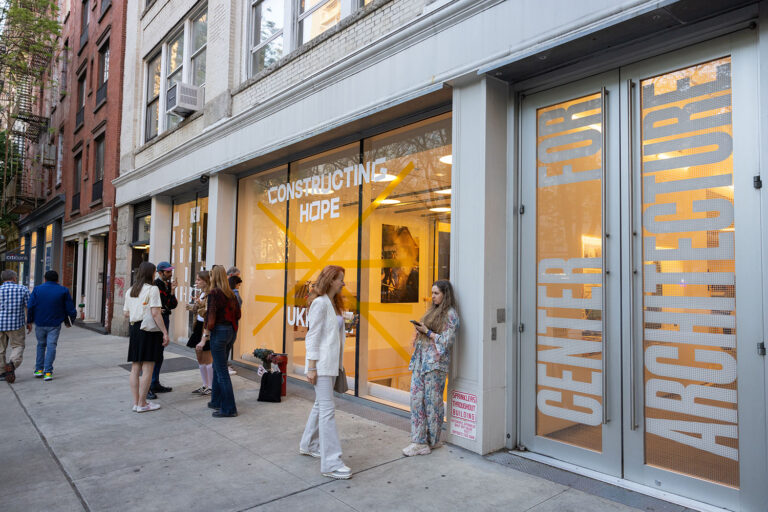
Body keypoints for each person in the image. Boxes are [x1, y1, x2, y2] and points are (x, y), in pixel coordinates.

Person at [299, 265, 352, 480]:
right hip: (320, 365)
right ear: (330, 280)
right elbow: (312, 337)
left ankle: (309, 444)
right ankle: (331, 463)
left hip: (331, 364)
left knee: (321, 406)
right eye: (340, 279)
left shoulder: (332, 304)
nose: (343, 283)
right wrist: (311, 367)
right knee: (328, 411)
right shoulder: (320, 303)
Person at [402, 279, 459, 457]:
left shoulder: (450, 314)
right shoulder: (432, 311)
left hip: (435, 365)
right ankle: (418, 440)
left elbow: (446, 341)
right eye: (432, 293)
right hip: (421, 361)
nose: (432, 296)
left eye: (436, 293)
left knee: (433, 404)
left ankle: (432, 441)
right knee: (416, 400)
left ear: (445, 294)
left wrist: (427, 332)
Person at [123, 262, 169, 412]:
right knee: (148, 367)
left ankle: (136, 402)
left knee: (135, 367)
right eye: (155, 272)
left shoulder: (131, 290)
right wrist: (165, 332)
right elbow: (156, 313)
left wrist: (138, 311)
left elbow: (126, 313)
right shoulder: (153, 289)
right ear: (151, 273)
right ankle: (143, 403)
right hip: (149, 330)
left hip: (135, 329)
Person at [26, 270, 77, 381]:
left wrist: (29, 321)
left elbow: (30, 306)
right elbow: (70, 308)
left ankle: (39, 369)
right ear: (57, 279)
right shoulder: (63, 290)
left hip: (39, 322)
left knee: (40, 345)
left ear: (45, 279)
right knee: (51, 346)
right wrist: (71, 319)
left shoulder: (37, 289)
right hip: (54, 323)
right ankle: (48, 372)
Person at [205, 265, 241, 417]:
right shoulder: (231, 294)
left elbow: (211, 316)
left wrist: (205, 335)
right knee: (218, 367)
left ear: (213, 277)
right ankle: (216, 401)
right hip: (230, 332)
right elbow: (238, 315)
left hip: (219, 332)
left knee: (221, 371)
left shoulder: (214, 293)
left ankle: (229, 408)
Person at [148, 261, 178, 398]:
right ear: (160, 273)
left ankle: (155, 382)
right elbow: (162, 305)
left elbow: (173, 305)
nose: (170, 274)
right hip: (158, 319)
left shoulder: (167, 285)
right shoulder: (155, 285)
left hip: (164, 318)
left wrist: (172, 291)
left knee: (159, 353)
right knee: (154, 352)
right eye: (168, 272)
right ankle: (149, 385)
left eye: (170, 271)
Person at [0, 270, 30, 383]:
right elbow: (29, 307)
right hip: (16, 324)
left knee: (0, 349)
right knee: (18, 346)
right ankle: (12, 364)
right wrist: (29, 322)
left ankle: (1, 372)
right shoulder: (22, 289)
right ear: (14, 278)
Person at [186, 271, 212, 395]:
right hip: (199, 326)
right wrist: (193, 306)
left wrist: (200, 306)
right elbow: (200, 310)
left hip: (205, 328)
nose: (196, 282)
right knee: (199, 356)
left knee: (207, 357)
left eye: (198, 280)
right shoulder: (202, 293)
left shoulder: (210, 294)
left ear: (206, 281)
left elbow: (208, 313)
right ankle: (205, 384)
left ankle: (210, 386)